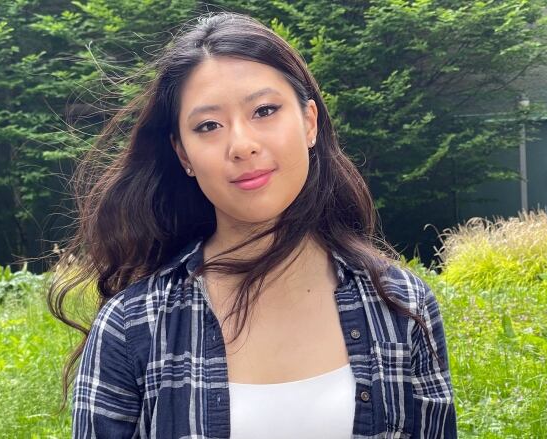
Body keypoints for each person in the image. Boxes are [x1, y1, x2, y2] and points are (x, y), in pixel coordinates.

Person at [50, 11, 457, 439]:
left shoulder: (401, 306)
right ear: (184, 154)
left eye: (264, 110)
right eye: (208, 126)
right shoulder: (133, 326)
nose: (242, 145)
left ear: (310, 122)